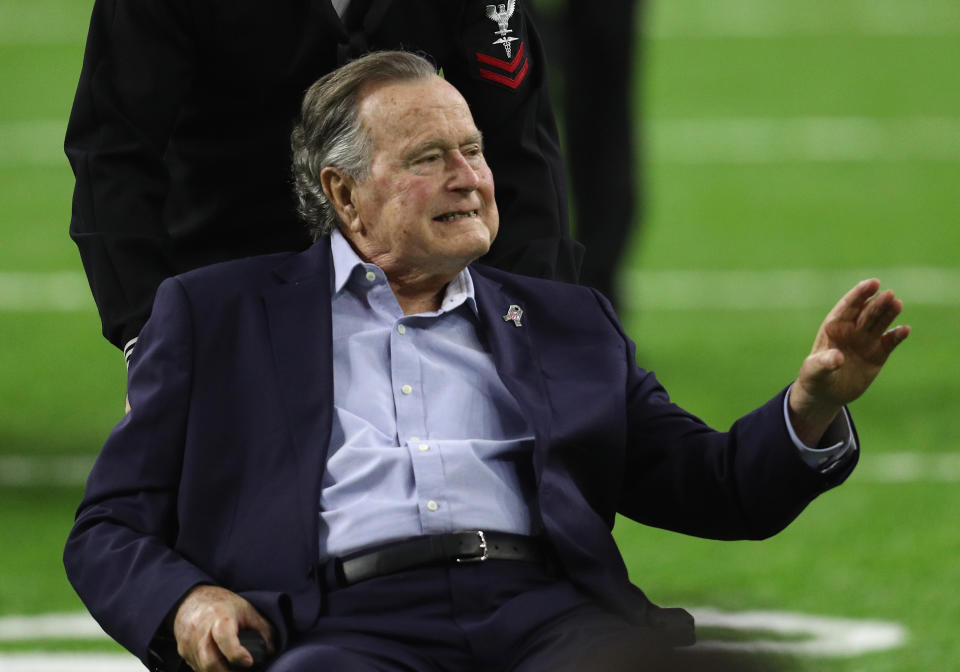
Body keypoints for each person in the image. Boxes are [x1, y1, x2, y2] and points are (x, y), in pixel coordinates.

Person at [64, 51, 909, 672]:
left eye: (473, 150)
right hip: (339, 627)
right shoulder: (218, 315)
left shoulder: (565, 320)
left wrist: (810, 407)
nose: (468, 178)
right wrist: (186, 599)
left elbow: (713, 483)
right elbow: (109, 528)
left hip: (545, 617)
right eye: (429, 159)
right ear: (343, 194)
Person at [66, 0, 581, 366]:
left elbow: (519, 152)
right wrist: (148, 334)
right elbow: (113, 153)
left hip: (418, 299)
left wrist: (533, 321)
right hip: (231, 296)